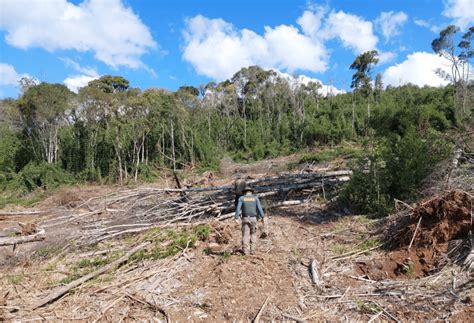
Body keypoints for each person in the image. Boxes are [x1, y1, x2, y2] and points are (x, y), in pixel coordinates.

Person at [234, 185, 265, 255]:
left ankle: (245, 252)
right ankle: (253, 250)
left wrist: (236, 218)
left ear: (244, 192)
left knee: (245, 235)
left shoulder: (241, 198)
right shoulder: (255, 198)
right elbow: (260, 208)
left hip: (245, 218)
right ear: (251, 192)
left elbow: (238, 209)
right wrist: (263, 217)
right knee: (253, 234)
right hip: (254, 218)